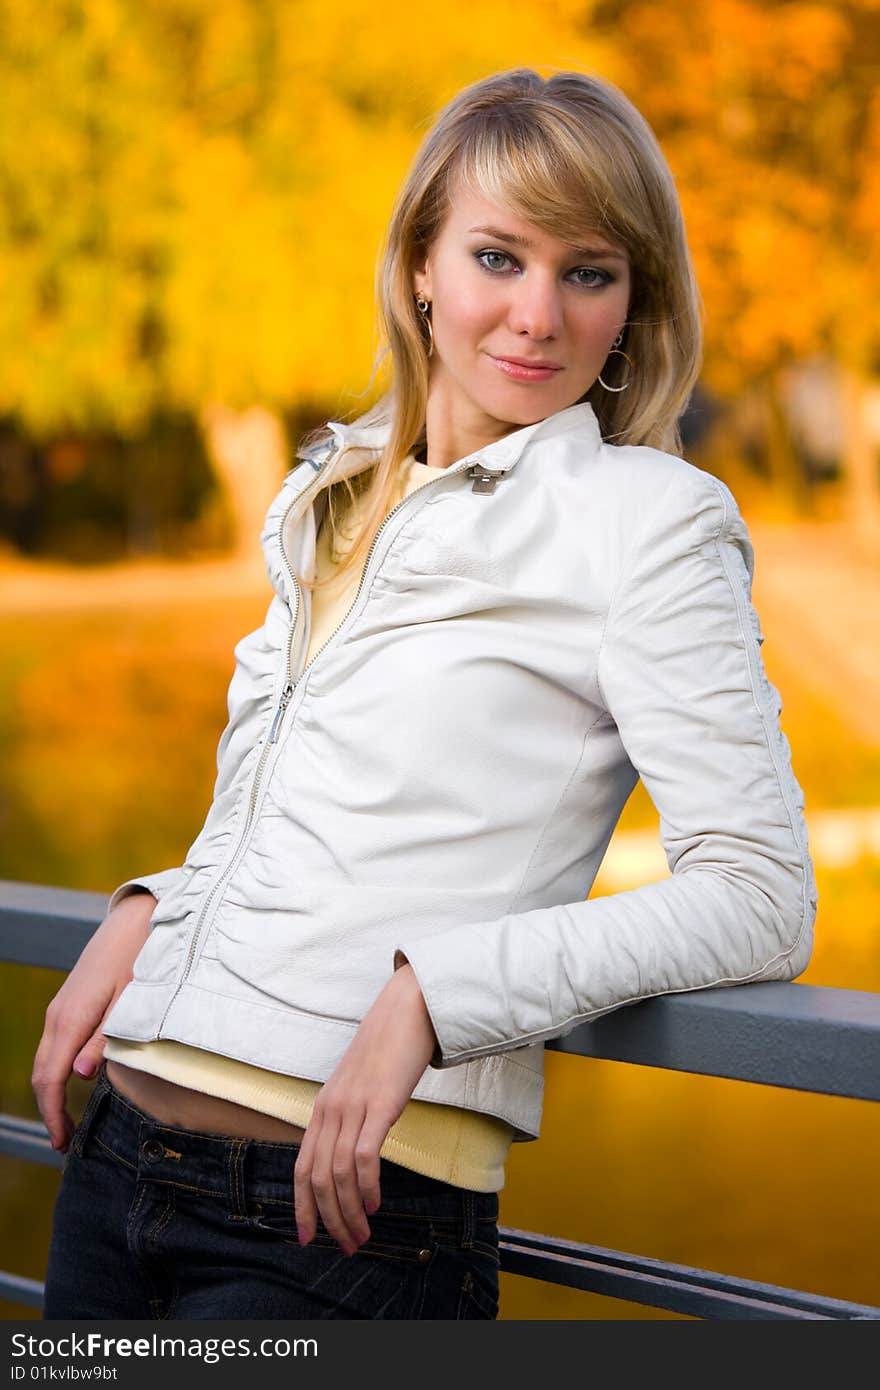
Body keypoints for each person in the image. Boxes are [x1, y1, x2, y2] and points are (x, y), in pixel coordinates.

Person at [33, 66, 817, 1321]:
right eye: (498, 257)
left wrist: (438, 995)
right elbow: (338, 825)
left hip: (342, 1223)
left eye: (589, 273)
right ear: (419, 266)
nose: (537, 315)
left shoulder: (649, 522)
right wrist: (152, 909)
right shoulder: (328, 495)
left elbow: (760, 895)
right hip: (115, 1157)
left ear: (632, 304)